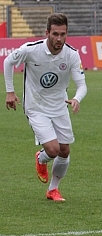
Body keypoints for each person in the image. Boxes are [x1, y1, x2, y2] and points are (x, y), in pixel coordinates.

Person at [3, 13, 87, 202]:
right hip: (36, 106)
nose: (59, 39)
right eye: (55, 34)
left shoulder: (72, 54)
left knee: (64, 151)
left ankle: (53, 189)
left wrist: (76, 98)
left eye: (63, 34)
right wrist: (10, 92)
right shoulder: (31, 50)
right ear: (47, 33)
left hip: (59, 106)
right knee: (53, 150)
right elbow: (8, 62)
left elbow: (82, 84)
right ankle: (41, 158)